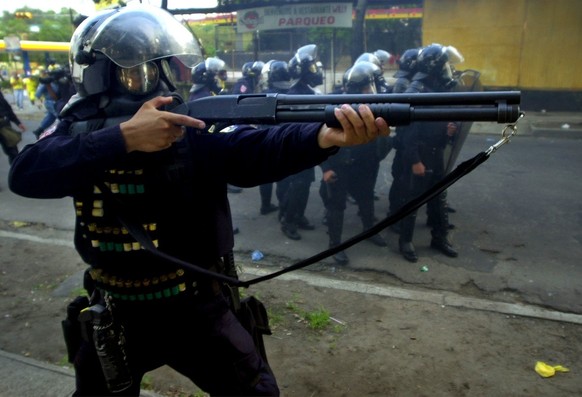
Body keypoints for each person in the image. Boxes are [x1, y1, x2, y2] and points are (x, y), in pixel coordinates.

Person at [8, 5, 389, 396]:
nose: (170, 78)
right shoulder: (79, 131)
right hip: (114, 310)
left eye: (169, 66)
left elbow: (251, 149)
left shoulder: (186, 131)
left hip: (195, 307)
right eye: (149, 68)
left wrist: (322, 138)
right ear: (107, 74)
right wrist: (123, 139)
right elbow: (26, 173)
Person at [395, 43, 459, 263]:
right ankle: (405, 241)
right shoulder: (416, 91)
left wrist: (447, 132)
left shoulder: (436, 90)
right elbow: (407, 131)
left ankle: (439, 238)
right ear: (436, 68)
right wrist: (415, 160)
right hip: (419, 155)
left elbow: (437, 120)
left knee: (438, 198)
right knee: (412, 201)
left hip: (435, 152)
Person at [320, 62, 388, 264]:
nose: (372, 89)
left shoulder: (371, 104)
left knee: (366, 199)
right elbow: (323, 140)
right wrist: (327, 169)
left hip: (364, 165)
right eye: (369, 86)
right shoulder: (337, 107)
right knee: (336, 205)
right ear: (359, 87)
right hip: (340, 165)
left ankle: (369, 231)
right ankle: (335, 245)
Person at [277, 44, 324, 240]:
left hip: (306, 150)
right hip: (296, 150)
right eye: (312, 67)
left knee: (304, 185)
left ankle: (298, 215)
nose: (317, 69)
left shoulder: (307, 91)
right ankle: (288, 221)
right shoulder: (296, 93)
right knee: (297, 186)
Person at [258, 60, 293, 215]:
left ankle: (266, 205)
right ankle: (283, 213)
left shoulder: (264, 95)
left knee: (265, 177)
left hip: (265, 140)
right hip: (282, 141)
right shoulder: (289, 94)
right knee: (283, 180)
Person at [0, 90, 26, 166]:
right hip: (4, 124)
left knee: (13, 152)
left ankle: (17, 173)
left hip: (4, 126)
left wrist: (17, 122)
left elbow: (6, 107)